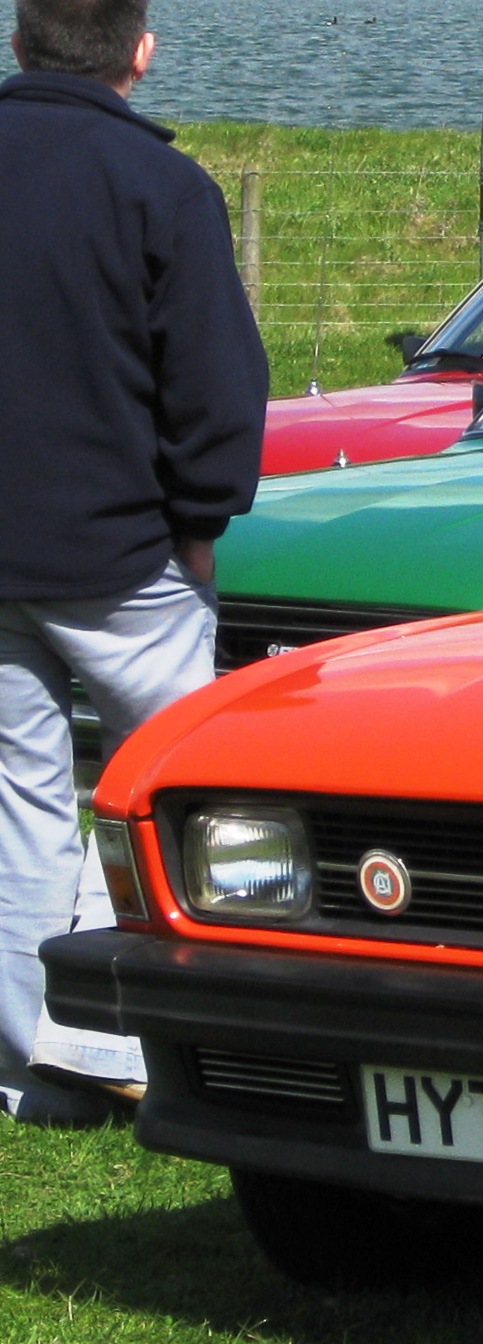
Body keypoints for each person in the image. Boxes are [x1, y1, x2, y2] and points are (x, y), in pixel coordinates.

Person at [0, 0, 267, 1126]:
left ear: (20, 42)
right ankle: (185, 1048)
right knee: (185, 799)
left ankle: (28, 1064)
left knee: (19, 806)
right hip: (122, 556)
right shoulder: (161, 187)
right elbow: (214, 382)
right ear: (139, 51)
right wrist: (204, 515)